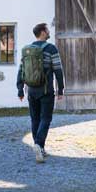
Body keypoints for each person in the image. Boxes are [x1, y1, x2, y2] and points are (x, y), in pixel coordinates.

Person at [17, 23, 64, 163]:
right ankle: (38, 144)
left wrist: (20, 89)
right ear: (43, 32)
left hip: (31, 90)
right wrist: (60, 89)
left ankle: (40, 149)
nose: (49, 32)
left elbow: (21, 71)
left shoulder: (27, 50)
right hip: (46, 90)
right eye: (47, 30)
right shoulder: (51, 49)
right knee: (46, 118)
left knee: (35, 119)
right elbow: (58, 70)